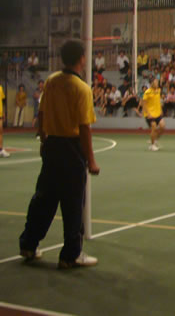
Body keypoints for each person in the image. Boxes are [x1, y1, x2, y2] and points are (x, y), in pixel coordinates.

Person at [19, 40, 100, 268]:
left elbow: (42, 113)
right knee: (73, 204)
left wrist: (43, 139)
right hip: (72, 149)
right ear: (81, 58)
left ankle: (28, 244)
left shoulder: (52, 81)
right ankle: (70, 255)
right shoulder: (81, 88)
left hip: (52, 146)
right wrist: (91, 160)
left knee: (43, 198)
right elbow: (84, 128)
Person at [143, 78, 165, 152]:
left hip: (157, 113)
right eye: (155, 82)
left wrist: (161, 110)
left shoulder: (158, 90)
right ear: (151, 83)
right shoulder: (147, 92)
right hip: (150, 114)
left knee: (162, 126)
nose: (157, 84)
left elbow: (158, 101)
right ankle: (152, 146)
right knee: (154, 127)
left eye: (157, 82)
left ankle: (154, 139)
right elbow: (144, 104)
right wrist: (148, 114)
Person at [0, 82, 8, 158]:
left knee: (0, 131)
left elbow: (2, 101)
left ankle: (1, 149)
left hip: (0, 114)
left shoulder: (0, 88)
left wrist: (3, 113)